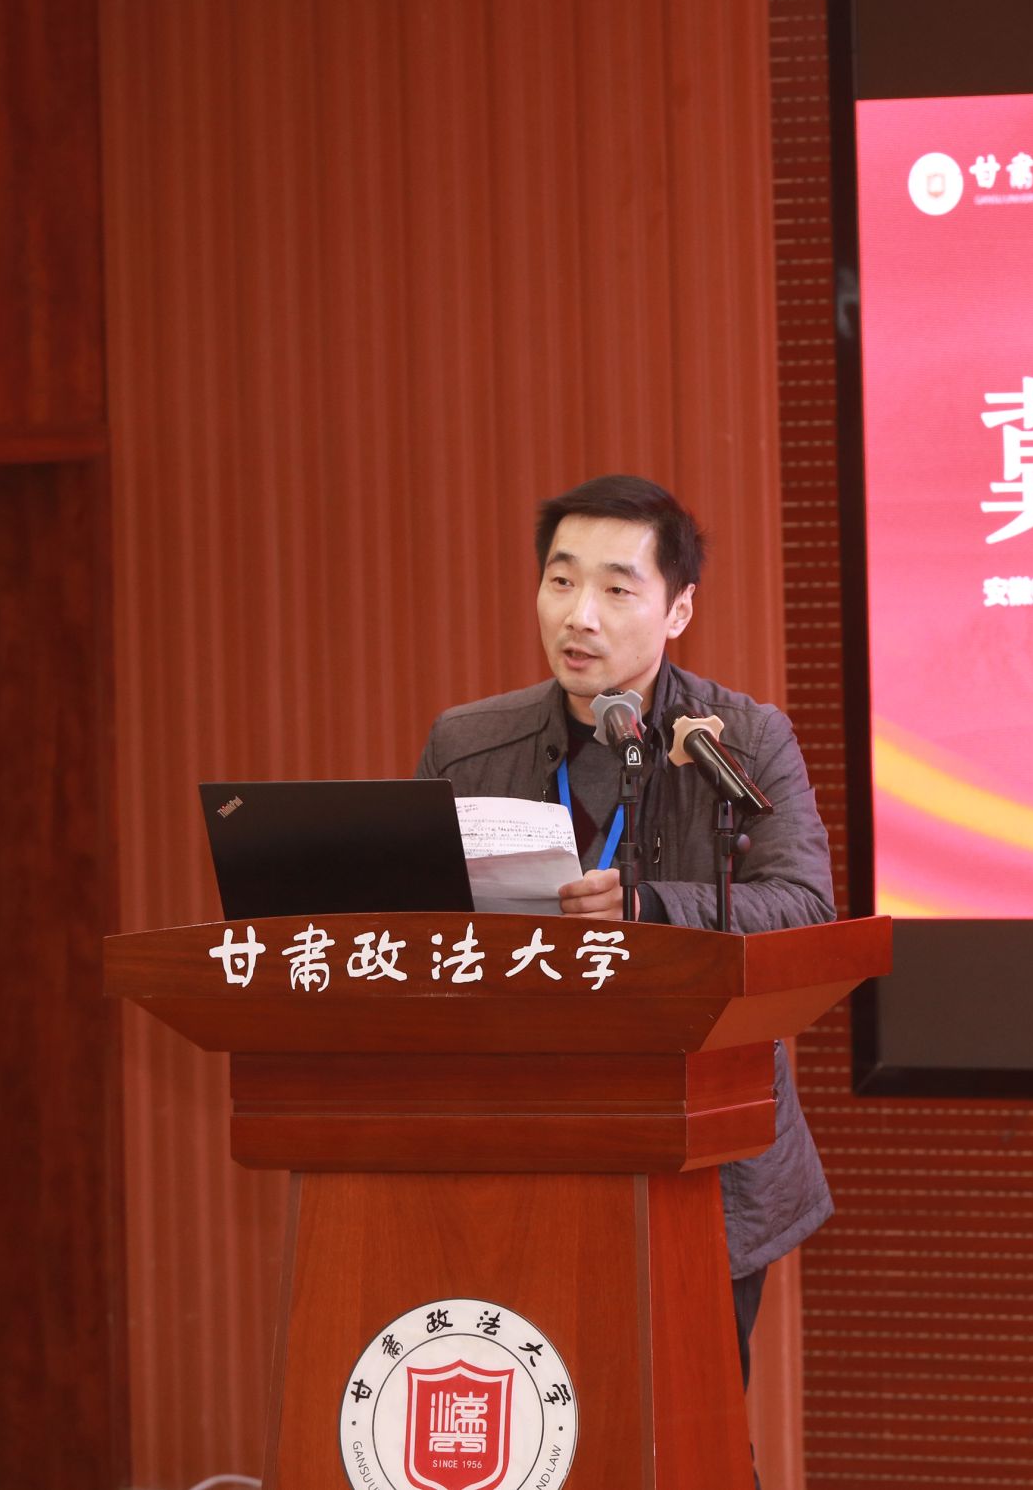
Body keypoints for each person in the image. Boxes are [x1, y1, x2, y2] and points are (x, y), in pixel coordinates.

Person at [413, 474, 835, 1385]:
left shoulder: (742, 740)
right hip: (522, 1137)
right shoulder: (467, 746)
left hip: (699, 1151)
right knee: (542, 1420)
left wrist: (649, 910)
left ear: (678, 609)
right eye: (561, 581)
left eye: (616, 588)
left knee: (691, 1427)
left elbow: (804, 906)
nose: (580, 616)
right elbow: (417, 924)